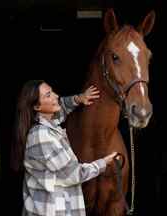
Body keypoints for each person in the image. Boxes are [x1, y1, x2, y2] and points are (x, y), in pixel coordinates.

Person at [13, 80, 118, 216]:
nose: (56, 96)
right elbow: (73, 174)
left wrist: (79, 98)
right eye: (48, 95)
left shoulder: (49, 125)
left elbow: (61, 107)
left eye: (52, 92)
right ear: (37, 107)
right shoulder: (42, 136)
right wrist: (103, 163)